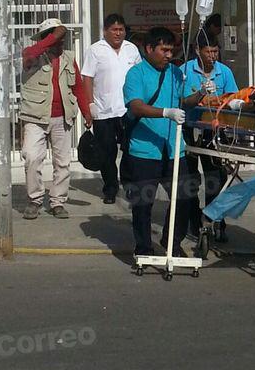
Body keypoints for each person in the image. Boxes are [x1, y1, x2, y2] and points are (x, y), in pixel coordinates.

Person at [122, 27, 206, 258]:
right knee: (143, 204)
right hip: (144, 150)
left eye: (171, 50)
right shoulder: (136, 74)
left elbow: (184, 100)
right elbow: (136, 106)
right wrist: (165, 112)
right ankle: (143, 248)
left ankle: (172, 242)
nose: (169, 55)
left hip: (174, 149)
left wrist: (199, 94)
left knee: (185, 196)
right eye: (164, 50)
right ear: (149, 49)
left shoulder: (176, 73)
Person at [20, 19, 92, 220]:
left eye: (62, 39)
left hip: (62, 117)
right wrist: (53, 37)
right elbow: (29, 55)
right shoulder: (32, 55)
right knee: (32, 157)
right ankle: (34, 199)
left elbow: (77, 86)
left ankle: (57, 202)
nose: (61, 43)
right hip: (35, 117)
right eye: (57, 39)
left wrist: (86, 111)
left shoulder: (69, 58)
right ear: (47, 39)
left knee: (62, 163)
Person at [180, 32, 238, 239]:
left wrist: (220, 101)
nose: (212, 56)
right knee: (190, 180)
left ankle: (216, 220)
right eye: (208, 52)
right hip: (190, 130)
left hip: (214, 132)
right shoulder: (185, 71)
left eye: (215, 51)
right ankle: (194, 221)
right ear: (198, 51)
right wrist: (201, 95)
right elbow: (182, 101)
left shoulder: (224, 72)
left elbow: (234, 99)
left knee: (216, 177)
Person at [81, 14, 141, 204]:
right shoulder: (95, 50)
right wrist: (89, 105)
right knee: (107, 153)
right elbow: (87, 78)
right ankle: (110, 188)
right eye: (114, 30)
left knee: (131, 150)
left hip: (127, 110)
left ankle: (129, 185)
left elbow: (139, 75)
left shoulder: (132, 49)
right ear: (105, 31)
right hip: (103, 110)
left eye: (121, 29)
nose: (118, 33)